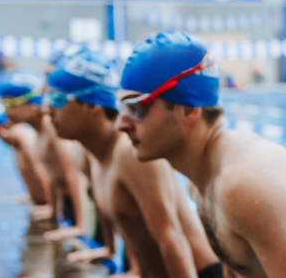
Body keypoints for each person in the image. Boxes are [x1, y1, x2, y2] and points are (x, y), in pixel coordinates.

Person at [117, 31, 286, 278]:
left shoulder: (244, 183)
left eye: (134, 108)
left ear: (188, 110)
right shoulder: (201, 179)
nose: (120, 124)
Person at [46, 48, 221, 278]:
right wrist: (111, 252)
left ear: (92, 106)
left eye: (57, 100)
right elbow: (125, 219)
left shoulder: (131, 151)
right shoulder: (91, 155)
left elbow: (170, 237)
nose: (46, 109)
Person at [0, 71, 94, 240]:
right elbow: (52, 176)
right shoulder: (37, 131)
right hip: (68, 204)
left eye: (10, 104)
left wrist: (80, 227)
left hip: (83, 205)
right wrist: (53, 213)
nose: (6, 112)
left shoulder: (52, 127)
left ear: (32, 103)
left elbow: (73, 173)